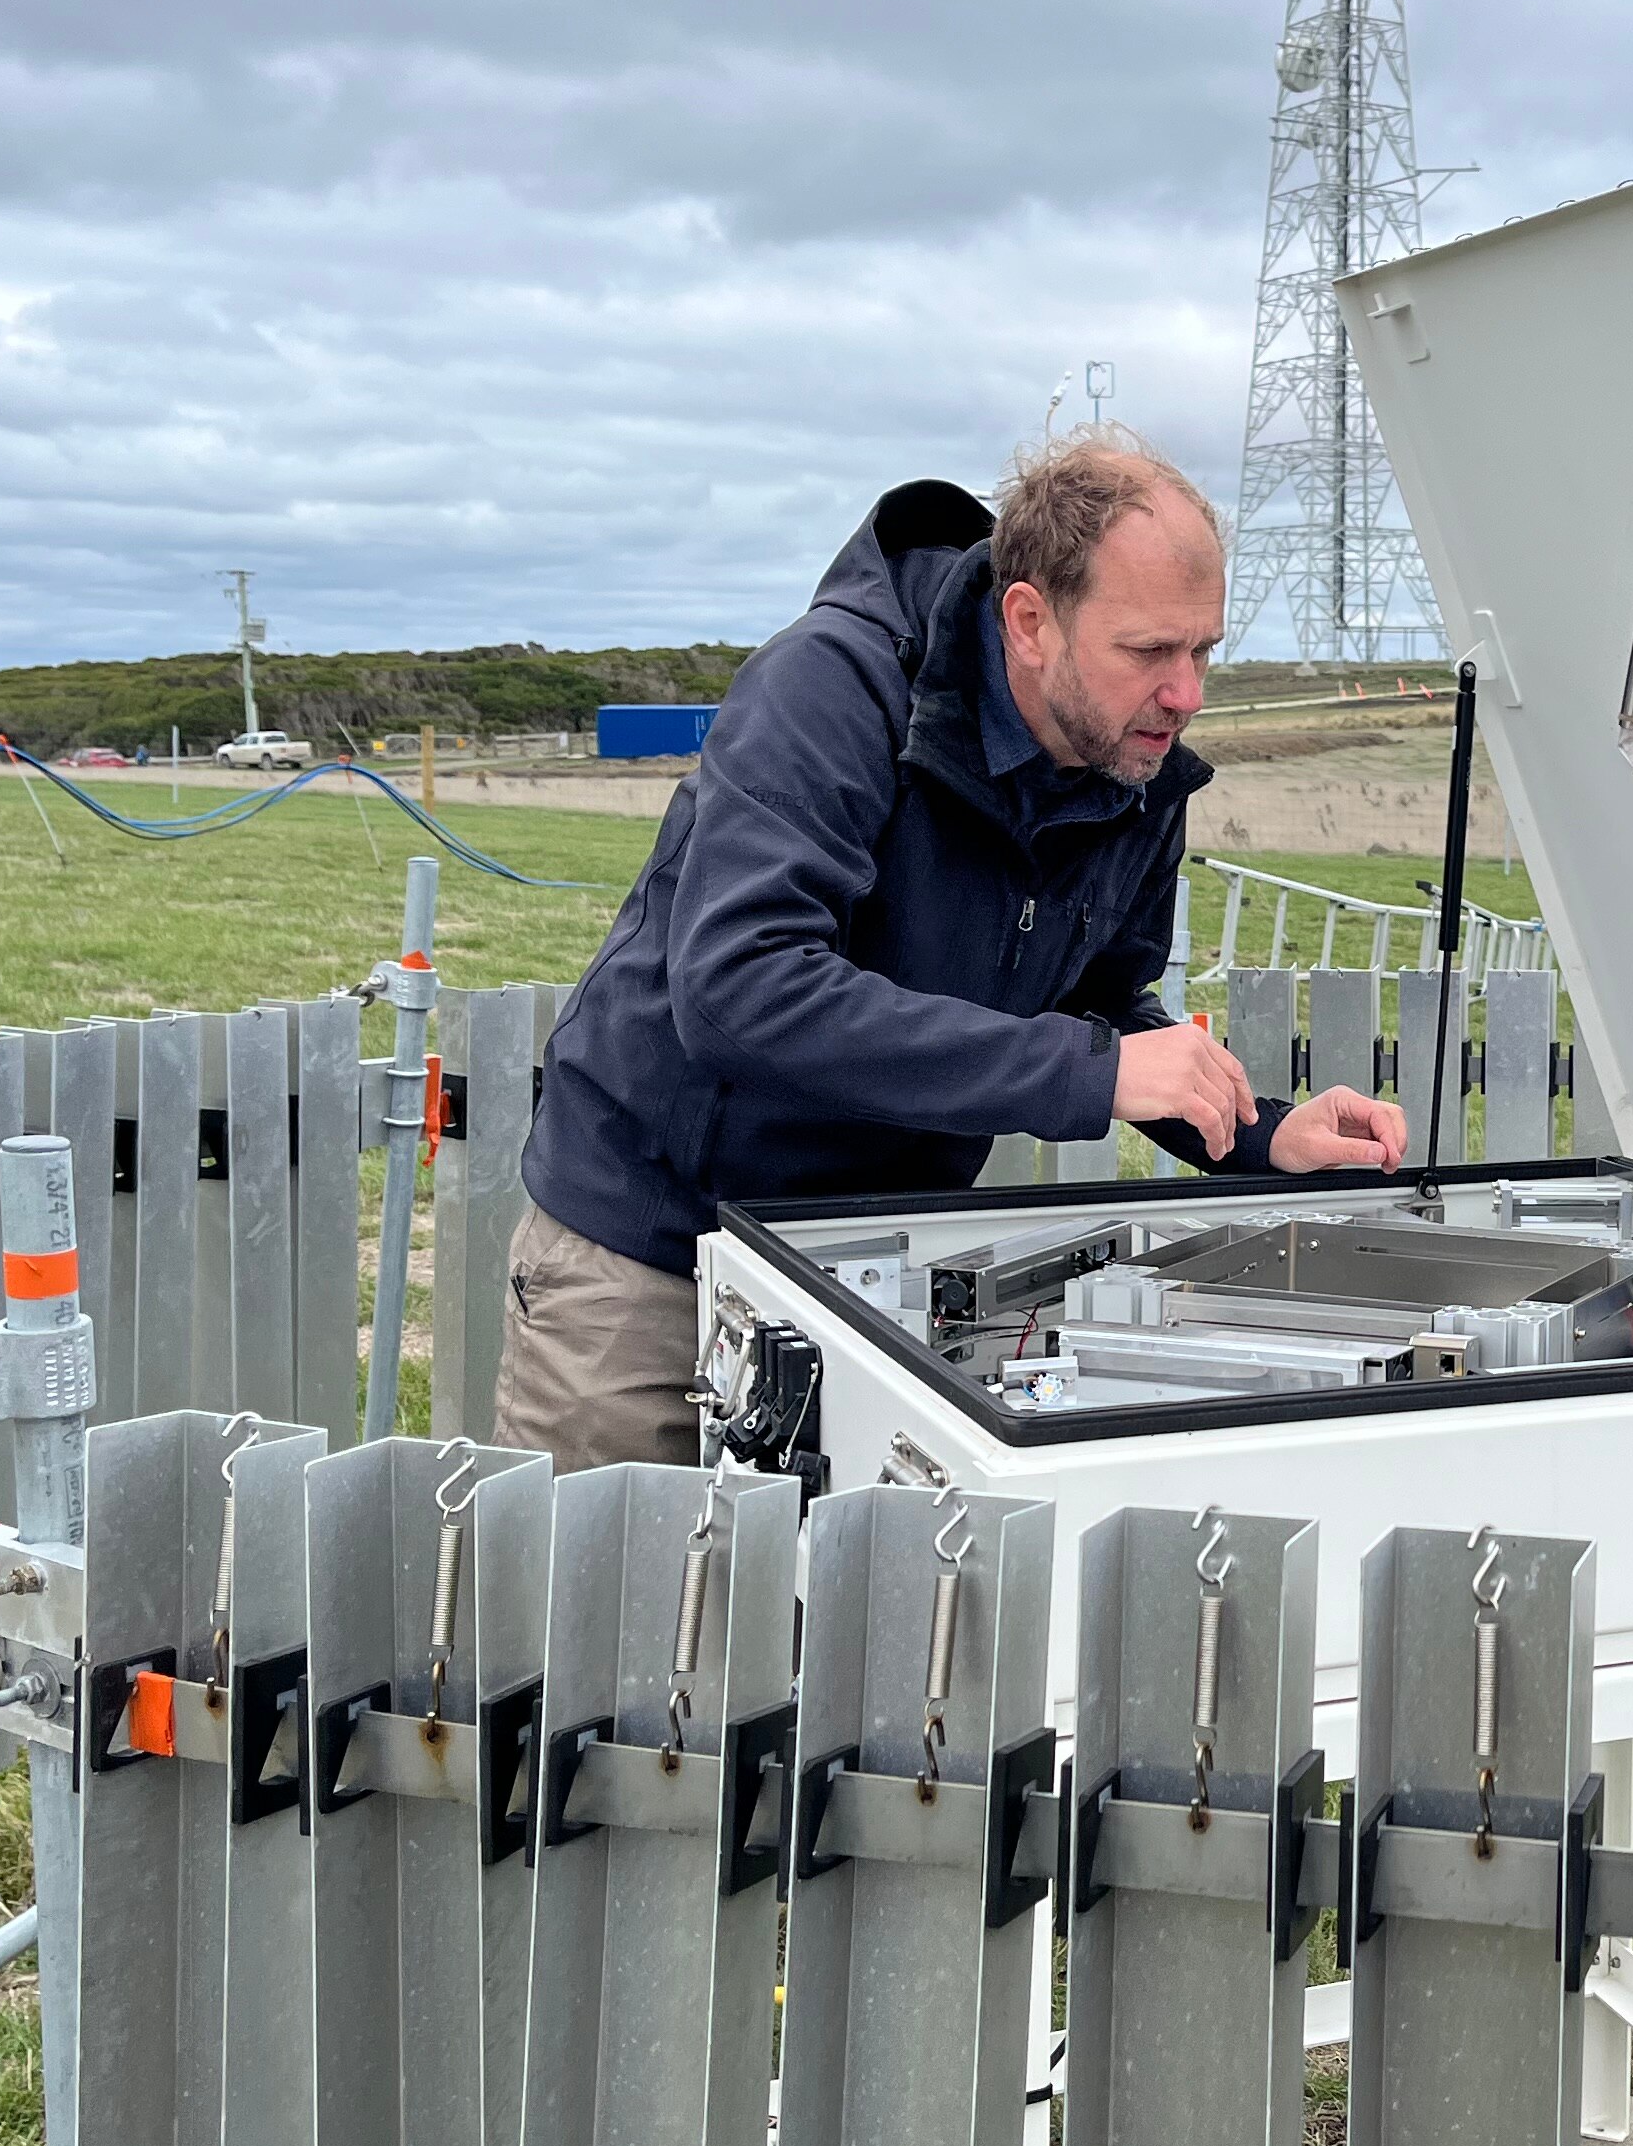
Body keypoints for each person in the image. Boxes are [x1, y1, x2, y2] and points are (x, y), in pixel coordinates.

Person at [496, 430, 1406, 1470]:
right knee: (614, 1621)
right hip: (653, 1261)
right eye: (1150, 651)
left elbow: (1100, 1008)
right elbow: (741, 987)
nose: (1186, 693)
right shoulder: (833, 689)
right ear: (1029, 620)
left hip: (870, 1275)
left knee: (841, 1619)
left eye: (1203, 650)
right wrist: (1090, 1069)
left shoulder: (1135, 772)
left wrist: (1260, 1135)